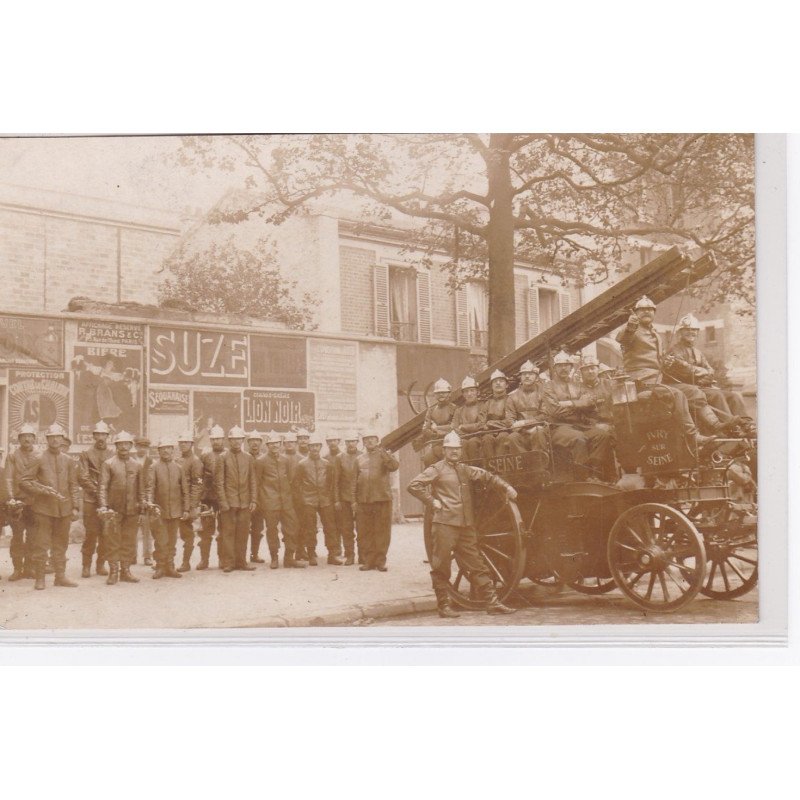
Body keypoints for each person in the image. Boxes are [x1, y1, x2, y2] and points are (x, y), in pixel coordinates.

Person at [407, 431, 516, 618]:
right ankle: (443, 606)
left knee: (477, 564)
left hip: (466, 526)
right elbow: (414, 485)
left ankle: (492, 602)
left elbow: (487, 476)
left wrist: (506, 487)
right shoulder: (437, 469)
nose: (454, 453)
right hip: (444, 525)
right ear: (444, 450)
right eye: (450, 449)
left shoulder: (465, 469)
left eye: (457, 449)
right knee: (441, 565)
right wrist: (431, 501)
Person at [615, 296, 728, 442]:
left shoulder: (655, 333)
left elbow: (659, 358)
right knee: (677, 394)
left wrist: (666, 362)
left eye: (650, 309)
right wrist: (630, 327)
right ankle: (693, 435)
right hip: (641, 382)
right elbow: (622, 339)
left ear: (654, 313)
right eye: (642, 310)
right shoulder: (632, 329)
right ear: (635, 313)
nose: (646, 312)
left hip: (659, 381)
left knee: (693, 391)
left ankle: (716, 426)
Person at [663, 313, 755, 435]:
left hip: (701, 387)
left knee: (733, 396)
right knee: (717, 395)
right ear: (680, 332)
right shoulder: (674, 350)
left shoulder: (697, 352)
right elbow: (684, 369)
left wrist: (705, 376)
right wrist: (702, 372)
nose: (691, 332)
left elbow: (710, 370)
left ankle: (747, 425)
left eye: (694, 330)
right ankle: (732, 428)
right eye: (687, 330)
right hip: (685, 388)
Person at [21, 424, 80, 591]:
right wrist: (42, 491)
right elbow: (24, 481)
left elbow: (73, 485)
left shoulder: (68, 460)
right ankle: (40, 579)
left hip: (64, 510)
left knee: (61, 544)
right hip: (43, 510)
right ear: (47, 440)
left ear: (62, 440)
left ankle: (60, 577)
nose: (55, 440)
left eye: (58, 437)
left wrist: (75, 506)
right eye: (51, 437)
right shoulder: (38, 458)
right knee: (41, 544)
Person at [541, 351, 615, 481]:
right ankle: (583, 477)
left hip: (580, 425)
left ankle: (595, 473)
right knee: (578, 439)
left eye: (566, 365)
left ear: (571, 367)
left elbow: (590, 403)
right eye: (560, 365)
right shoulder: (549, 386)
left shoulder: (578, 385)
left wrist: (568, 403)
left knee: (602, 435)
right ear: (555, 368)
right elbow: (555, 411)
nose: (564, 368)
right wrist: (579, 404)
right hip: (559, 427)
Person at [98, 430, 146, 585]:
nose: (124, 447)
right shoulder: (108, 464)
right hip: (113, 510)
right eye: (120, 444)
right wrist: (104, 506)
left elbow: (141, 488)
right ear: (116, 446)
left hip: (132, 509)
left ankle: (125, 571)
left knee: (129, 541)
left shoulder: (137, 465)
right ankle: (113, 572)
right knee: (112, 541)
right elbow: (103, 487)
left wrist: (142, 504)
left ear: (131, 446)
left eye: (126, 444)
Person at [256, 431, 306, 568]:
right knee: (272, 530)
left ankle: (289, 558)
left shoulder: (285, 460)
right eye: (271, 444)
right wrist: (260, 500)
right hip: (269, 501)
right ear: (267, 445)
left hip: (286, 501)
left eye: (276, 443)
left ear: (280, 444)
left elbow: (291, 480)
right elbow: (257, 482)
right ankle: (274, 558)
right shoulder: (261, 461)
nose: (274, 446)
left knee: (292, 528)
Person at [352, 430, 399, 572]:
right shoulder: (359, 459)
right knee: (366, 532)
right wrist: (354, 501)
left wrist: (385, 454)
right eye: (366, 439)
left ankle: (380, 561)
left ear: (377, 440)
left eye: (372, 438)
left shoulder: (384, 455)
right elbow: (353, 481)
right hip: (364, 501)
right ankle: (368, 561)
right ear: (363, 442)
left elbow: (394, 466)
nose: (369, 441)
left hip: (382, 499)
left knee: (382, 532)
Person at [214, 426, 257, 573]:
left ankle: (242, 561)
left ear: (242, 440)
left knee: (243, 533)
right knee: (228, 533)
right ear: (229, 441)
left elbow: (253, 481)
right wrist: (223, 502)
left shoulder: (249, 458)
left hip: (245, 502)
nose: (236, 442)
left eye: (239, 439)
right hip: (229, 503)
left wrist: (253, 500)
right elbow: (219, 482)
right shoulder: (222, 458)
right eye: (233, 439)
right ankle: (229, 562)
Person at [146, 437, 190, 579]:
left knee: (172, 540)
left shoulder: (178, 467)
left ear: (172, 450)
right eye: (162, 448)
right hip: (160, 511)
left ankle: (170, 567)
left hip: (176, 510)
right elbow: (150, 488)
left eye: (168, 448)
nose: (165, 451)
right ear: (158, 451)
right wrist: (151, 505)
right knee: (160, 540)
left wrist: (186, 509)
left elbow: (185, 490)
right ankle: (160, 566)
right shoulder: (154, 467)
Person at [293, 432, 339, 566]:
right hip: (308, 500)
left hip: (325, 500)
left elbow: (331, 483)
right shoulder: (302, 464)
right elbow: (297, 484)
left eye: (317, 446)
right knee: (310, 528)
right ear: (308, 447)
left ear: (320, 447)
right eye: (312, 446)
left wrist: (330, 497)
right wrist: (303, 498)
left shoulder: (327, 464)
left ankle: (332, 555)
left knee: (330, 527)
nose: (314, 449)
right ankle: (311, 554)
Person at [77, 420, 114, 578]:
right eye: (97, 434)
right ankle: (86, 566)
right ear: (93, 436)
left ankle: (101, 564)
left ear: (107, 436)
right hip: (91, 500)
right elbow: (83, 477)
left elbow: (116, 476)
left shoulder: (113, 454)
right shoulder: (86, 454)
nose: (100, 437)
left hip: (109, 500)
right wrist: (99, 494)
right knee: (91, 534)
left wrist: (106, 496)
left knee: (106, 534)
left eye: (103, 434)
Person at [4, 423, 39, 581]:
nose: (27, 439)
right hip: (17, 501)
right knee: (17, 535)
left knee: (33, 535)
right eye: (23, 436)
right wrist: (11, 498)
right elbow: (9, 477)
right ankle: (17, 568)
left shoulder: (40, 455)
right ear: (19, 439)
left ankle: (29, 567)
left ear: (34, 439)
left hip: (34, 501)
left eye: (30, 436)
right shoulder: (12, 456)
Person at [198, 424, 226, 570]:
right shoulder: (205, 455)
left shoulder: (228, 454)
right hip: (207, 498)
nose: (216, 442)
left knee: (223, 530)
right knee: (205, 531)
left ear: (223, 439)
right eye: (213, 439)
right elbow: (199, 476)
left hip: (223, 498)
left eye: (219, 439)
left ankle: (222, 559)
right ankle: (204, 560)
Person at [506, 360, 548, 455]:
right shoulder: (512, 397)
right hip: (521, 432)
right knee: (512, 438)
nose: (527, 376)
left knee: (538, 432)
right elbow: (510, 420)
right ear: (520, 377)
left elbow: (545, 415)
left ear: (536, 377)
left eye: (530, 374)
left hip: (540, 429)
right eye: (524, 374)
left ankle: (540, 463)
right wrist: (521, 428)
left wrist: (525, 423)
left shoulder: (544, 394)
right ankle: (525, 464)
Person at [177, 430, 203, 571]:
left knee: (187, 533)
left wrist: (192, 505)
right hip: (176, 501)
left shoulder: (196, 461)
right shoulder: (178, 460)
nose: (183, 445)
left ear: (191, 444)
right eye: (181, 443)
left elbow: (197, 485)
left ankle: (186, 562)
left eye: (186, 442)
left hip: (188, 503)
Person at [333, 433, 359, 565]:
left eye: (353, 441)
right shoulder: (340, 457)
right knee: (346, 528)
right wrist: (337, 499)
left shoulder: (362, 456)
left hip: (360, 498)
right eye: (348, 441)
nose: (351, 444)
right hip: (344, 498)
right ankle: (349, 554)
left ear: (357, 442)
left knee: (362, 527)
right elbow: (336, 480)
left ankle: (364, 554)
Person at [420, 378, 456, 467]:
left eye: (444, 392)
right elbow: (425, 429)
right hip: (435, 443)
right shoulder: (431, 410)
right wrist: (436, 435)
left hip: (452, 444)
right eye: (438, 393)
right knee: (428, 459)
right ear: (435, 395)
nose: (441, 395)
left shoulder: (454, 408)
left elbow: (454, 427)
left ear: (449, 393)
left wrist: (436, 429)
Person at [479, 370, 514, 458]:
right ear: (491, 386)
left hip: (506, 431)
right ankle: (490, 467)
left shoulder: (511, 400)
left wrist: (491, 423)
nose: (498, 383)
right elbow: (482, 422)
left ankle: (501, 466)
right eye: (495, 382)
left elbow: (510, 420)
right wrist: (485, 426)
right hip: (490, 432)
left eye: (501, 381)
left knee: (503, 437)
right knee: (486, 439)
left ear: (506, 385)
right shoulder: (487, 403)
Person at [450, 377, 485, 460]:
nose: (469, 394)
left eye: (472, 390)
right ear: (463, 394)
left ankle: (475, 469)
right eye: (466, 391)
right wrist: (467, 432)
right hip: (464, 438)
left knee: (472, 442)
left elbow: (482, 424)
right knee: (461, 444)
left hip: (480, 438)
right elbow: (455, 428)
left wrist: (463, 427)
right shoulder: (459, 411)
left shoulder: (483, 406)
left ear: (477, 392)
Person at [132, 435, 154, 566]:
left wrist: (147, 499)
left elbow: (151, 482)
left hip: (146, 498)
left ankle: (147, 555)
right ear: (135, 447)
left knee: (147, 529)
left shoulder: (151, 462)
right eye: (140, 446)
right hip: (133, 499)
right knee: (132, 529)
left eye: (145, 447)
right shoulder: (130, 460)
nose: (142, 449)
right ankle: (132, 555)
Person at [246, 431, 266, 563]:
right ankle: (240, 556)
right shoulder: (244, 457)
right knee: (242, 528)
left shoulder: (264, 459)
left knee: (258, 528)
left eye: (257, 440)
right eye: (251, 440)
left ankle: (254, 554)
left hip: (261, 499)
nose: (254, 443)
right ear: (248, 443)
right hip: (244, 498)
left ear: (261, 443)